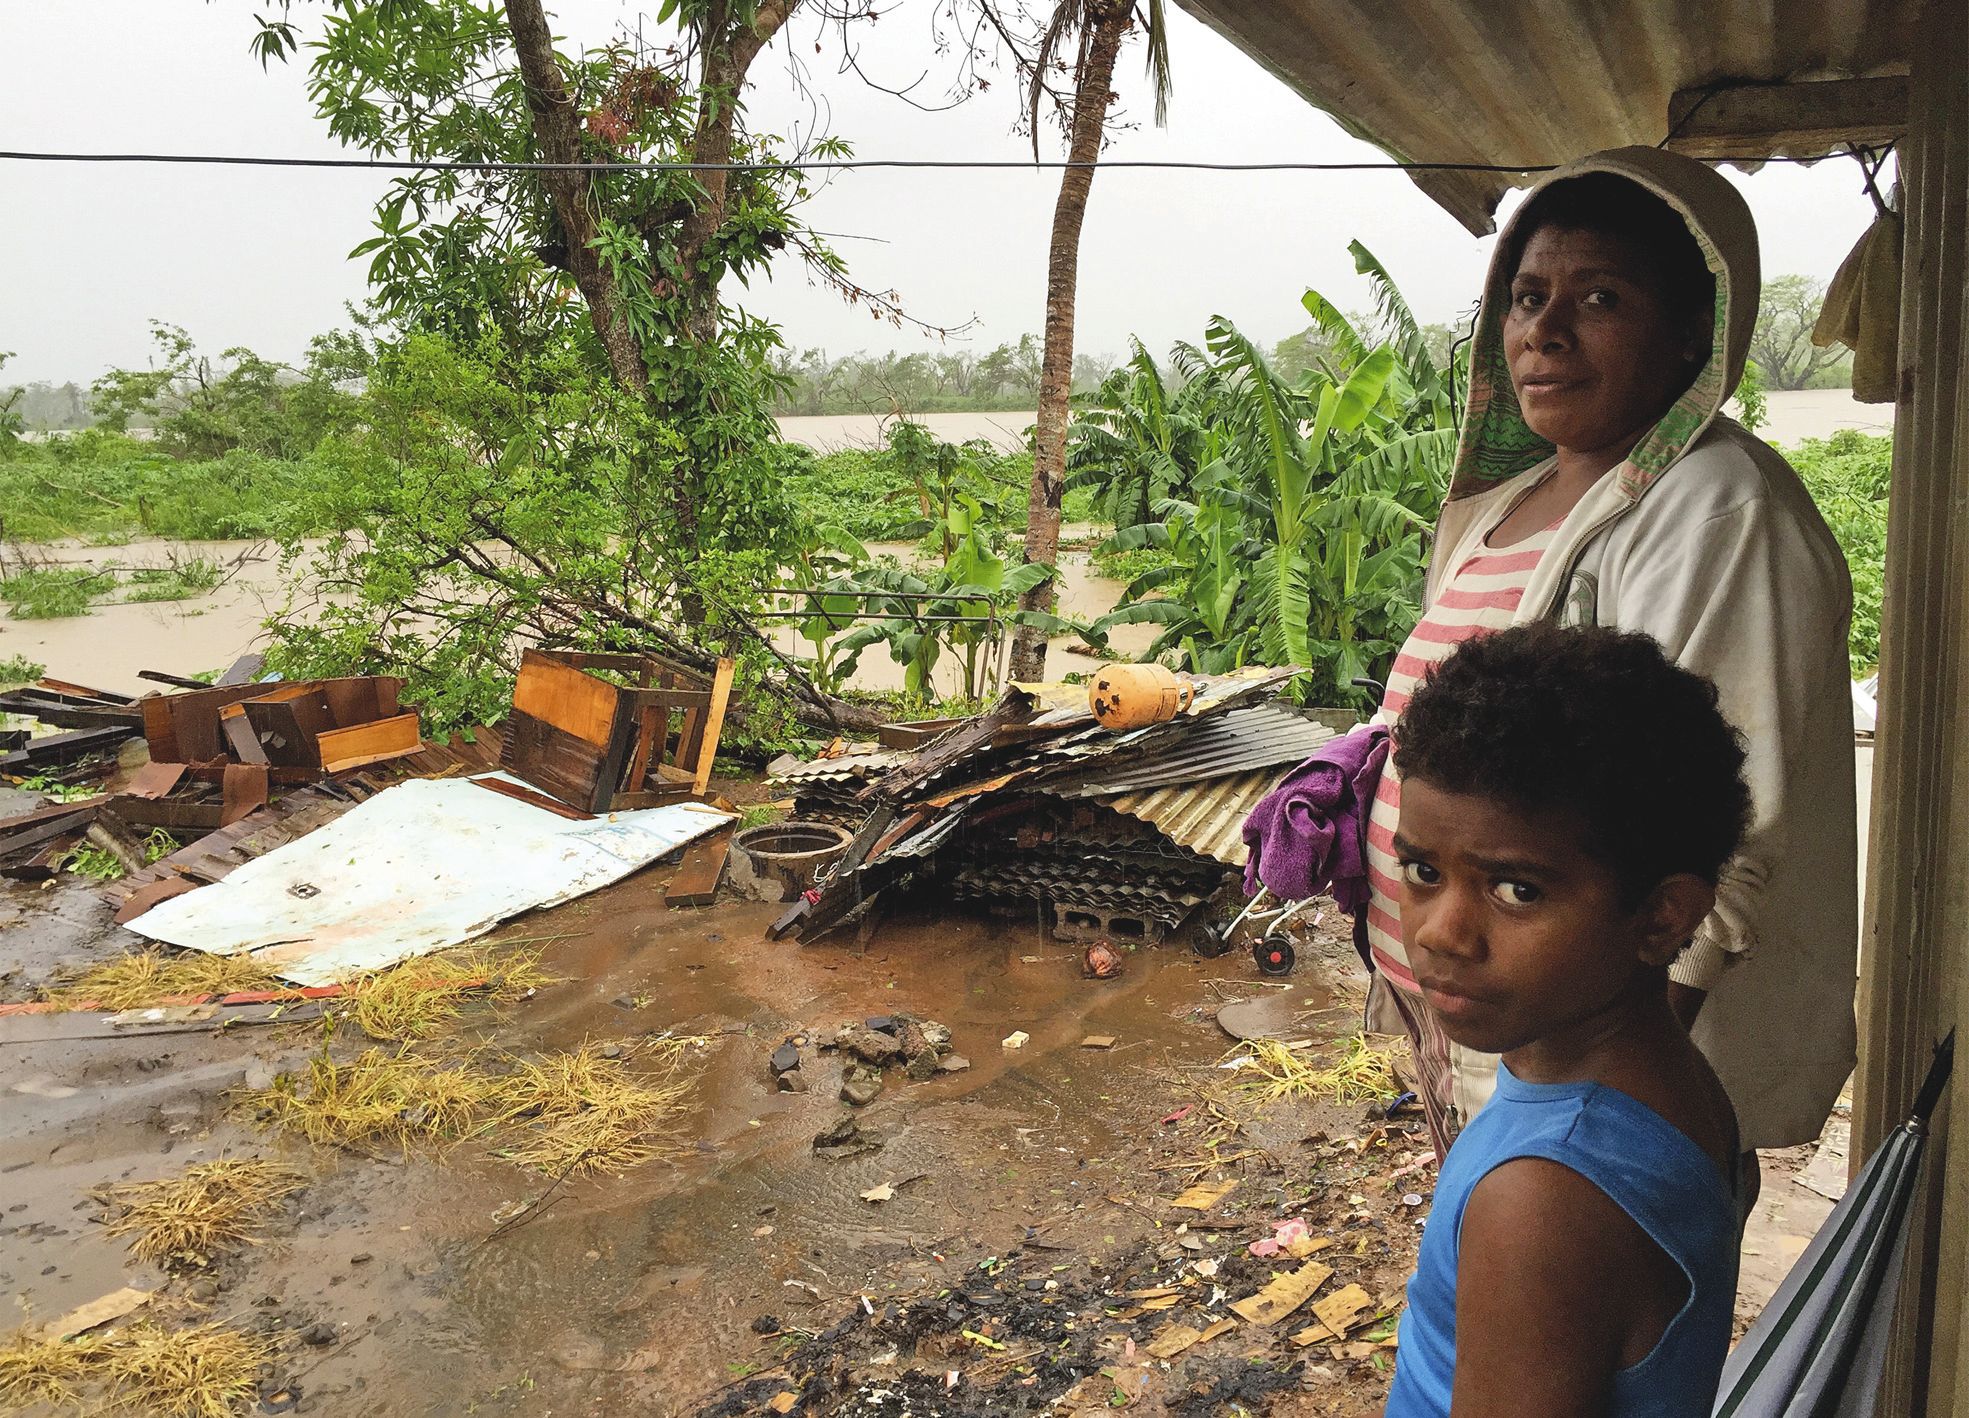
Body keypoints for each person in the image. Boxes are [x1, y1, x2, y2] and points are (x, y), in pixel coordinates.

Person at [1360, 148, 1858, 1187]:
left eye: (1597, 297)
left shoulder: (1716, 509)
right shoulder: (1512, 502)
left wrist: (1600, 1100)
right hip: (1499, 1038)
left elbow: (1728, 828)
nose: (1543, 329)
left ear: (1692, 330)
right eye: (1526, 295)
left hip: (1591, 1076)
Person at [1382, 623, 1748, 1418]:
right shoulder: (1667, 1081)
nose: (1442, 932)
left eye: (1516, 890)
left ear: (1660, 917)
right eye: (1421, 870)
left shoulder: (1543, 1199)